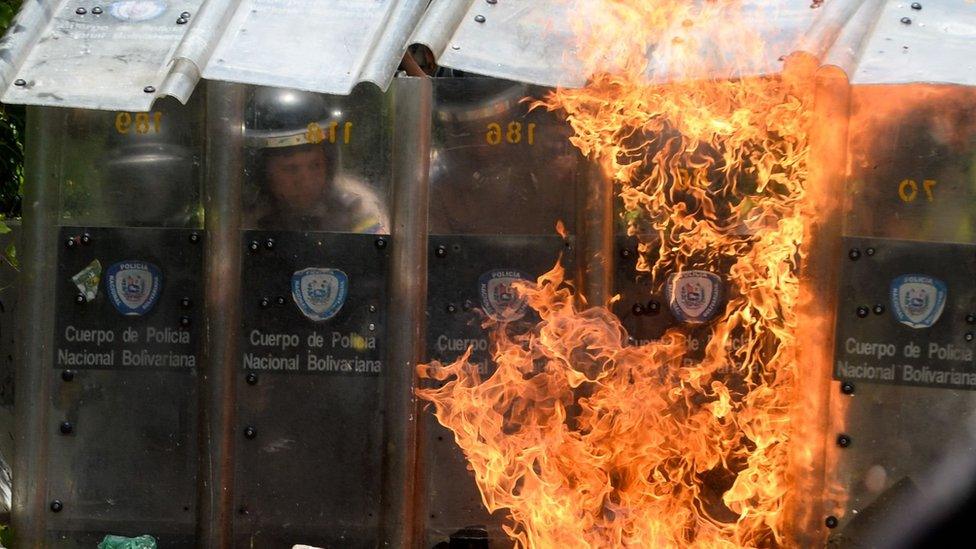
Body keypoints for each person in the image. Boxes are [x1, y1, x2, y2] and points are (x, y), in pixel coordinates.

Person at [244, 87, 388, 233]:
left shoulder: (355, 206)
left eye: (315, 165)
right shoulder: (242, 213)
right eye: (290, 169)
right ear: (262, 173)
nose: (306, 181)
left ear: (329, 164)